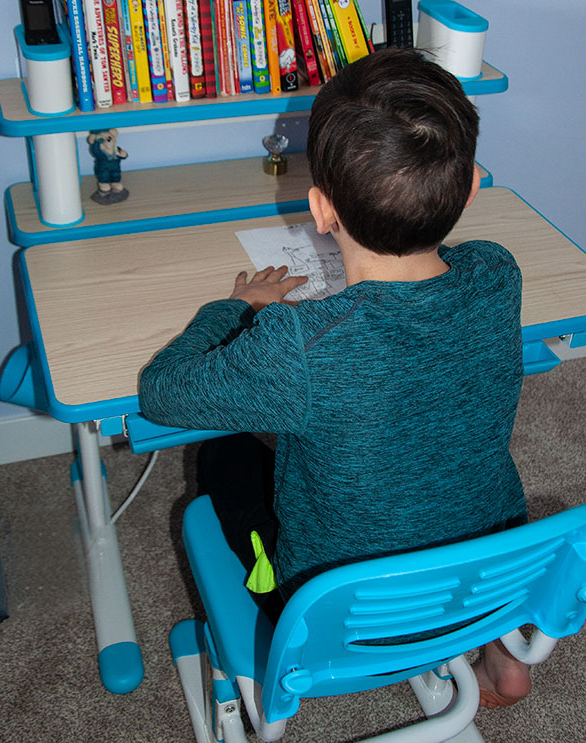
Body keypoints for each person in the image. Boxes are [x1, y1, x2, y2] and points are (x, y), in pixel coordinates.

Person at [138, 47, 531, 708]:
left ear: (320, 210)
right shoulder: (499, 274)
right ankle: (496, 652)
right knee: (436, 444)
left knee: (226, 456)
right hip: (483, 584)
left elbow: (161, 391)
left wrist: (236, 309)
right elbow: (433, 299)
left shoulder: (296, 345)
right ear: (470, 189)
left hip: (349, 622)